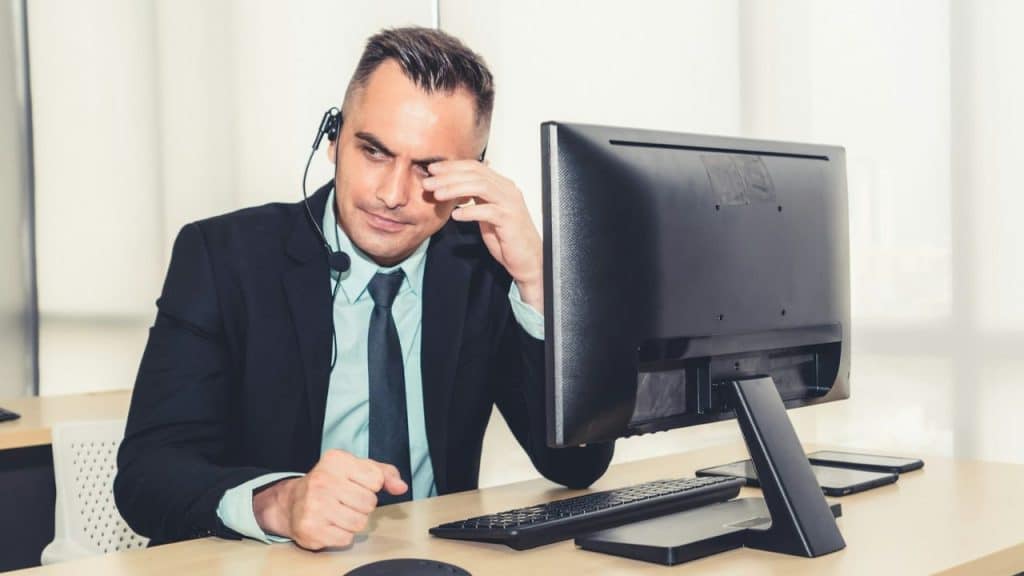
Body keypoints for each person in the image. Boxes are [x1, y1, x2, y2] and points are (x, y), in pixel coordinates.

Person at [114, 26, 614, 551]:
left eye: (429, 169)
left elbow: (577, 463)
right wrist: (278, 503)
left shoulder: (482, 268)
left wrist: (537, 281)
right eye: (374, 152)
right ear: (333, 138)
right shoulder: (224, 257)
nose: (392, 195)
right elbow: (147, 477)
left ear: (473, 175)